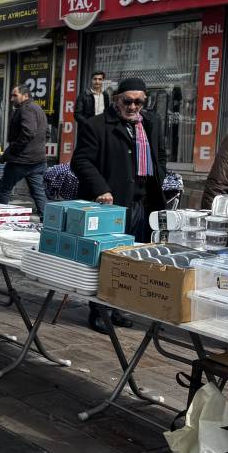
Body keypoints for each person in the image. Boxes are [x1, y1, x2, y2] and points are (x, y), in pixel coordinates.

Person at [73, 77, 168, 334]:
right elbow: (81, 162)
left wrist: (160, 173)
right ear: (117, 100)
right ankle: (99, 311)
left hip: (144, 200)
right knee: (107, 259)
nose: (133, 106)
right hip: (113, 203)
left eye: (139, 102)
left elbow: (159, 154)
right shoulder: (96, 125)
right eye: (128, 101)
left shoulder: (151, 122)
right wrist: (101, 188)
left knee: (131, 258)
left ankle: (118, 307)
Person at [0, 85, 49, 217]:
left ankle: (0, 219)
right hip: (36, 160)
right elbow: (46, 133)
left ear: (25, 96)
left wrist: (12, 150)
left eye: (15, 95)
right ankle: (48, 221)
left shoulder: (26, 108)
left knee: (4, 190)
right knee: (38, 193)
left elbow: (28, 132)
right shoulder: (37, 108)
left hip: (21, 160)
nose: (12, 98)